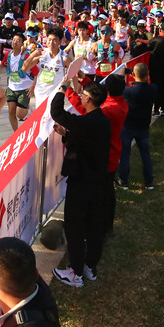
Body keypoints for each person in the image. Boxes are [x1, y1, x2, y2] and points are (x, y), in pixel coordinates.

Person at [50, 78, 111, 288]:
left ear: (88, 99)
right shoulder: (102, 121)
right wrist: (67, 135)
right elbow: (88, 144)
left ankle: (75, 273)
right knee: (94, 226)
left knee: (74, 226)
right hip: (97, 182)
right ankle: (89, 268)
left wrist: (62, 90)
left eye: (83, 94)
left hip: (82, 182)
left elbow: (56, 113)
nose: (81, 96)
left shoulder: (87, 122)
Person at [65, 74, 128, 237]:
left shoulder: (107, 110)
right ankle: (105, 226)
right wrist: (85, 80)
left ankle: (103, 228)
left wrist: (69, 92)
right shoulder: (120, 102)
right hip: (114, 153)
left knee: (104, 195)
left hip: (106, 157)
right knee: (107, 192)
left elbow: (86, 109)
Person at [118, 62, 156, 190]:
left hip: (128, 126)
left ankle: (123, 181)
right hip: (144, 126)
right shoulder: (153, 89)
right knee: (145, 154)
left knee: (125, 154)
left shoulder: (127, 91)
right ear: (148, 74)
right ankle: (149, 181)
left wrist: (123, 77)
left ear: (133, 74)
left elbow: (119, 91)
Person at [4, 33, 40, 130]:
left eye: (18, 41)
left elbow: (36, 73)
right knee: (11, 111)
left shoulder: (26, 56)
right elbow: (5, 67)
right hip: (12, 87)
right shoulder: (8, 54)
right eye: (13, 40)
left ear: (22, 44)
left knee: (19, 114)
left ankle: (26, 109)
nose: (15, 42)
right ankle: (16, 133)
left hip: (24, 88)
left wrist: (33, 87)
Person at [147, 22, 164, 116]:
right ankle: (163, 109)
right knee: (163, 88)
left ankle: (156, 109)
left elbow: (148, 47)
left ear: (160, 30)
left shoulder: (156, 39)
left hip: (155, 68)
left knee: (155, 88)